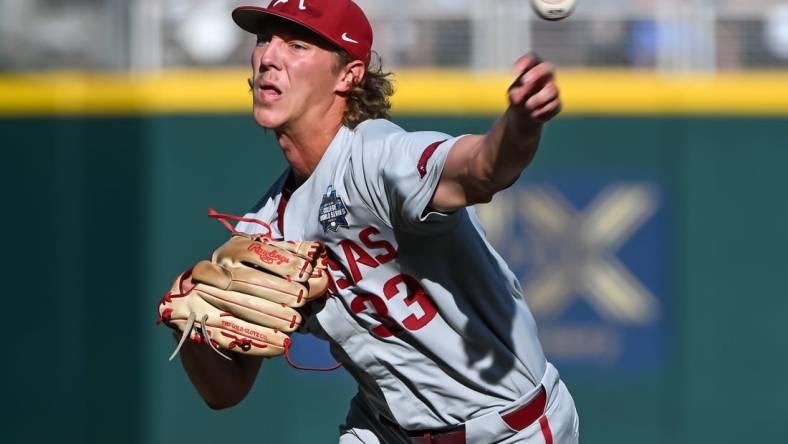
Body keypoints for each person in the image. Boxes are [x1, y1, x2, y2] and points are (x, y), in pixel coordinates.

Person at [174, 0, 579, 442]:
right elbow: (225, 391)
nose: (269, 57)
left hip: (506, 429)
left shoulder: (376, 157)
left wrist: (522, 122)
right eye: (264, 39)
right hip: (384, 431)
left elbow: (481, 169)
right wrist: (190, 320)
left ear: (349, 74)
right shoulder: (265, 226)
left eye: (296, 44)